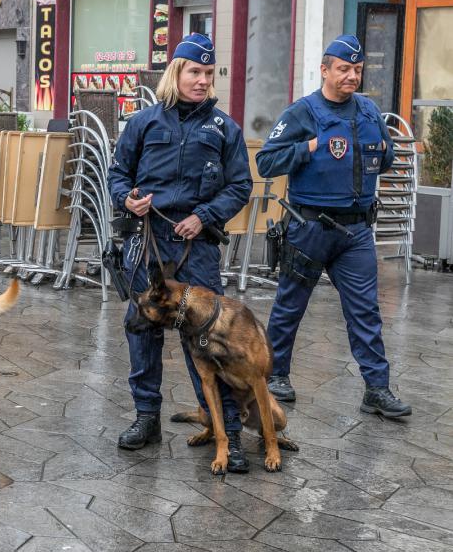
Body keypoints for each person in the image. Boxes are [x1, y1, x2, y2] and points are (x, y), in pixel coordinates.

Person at [108, 34, 253, 471]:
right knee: (141, 329)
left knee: (210, 338)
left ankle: (227, 426)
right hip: (148, 240)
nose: (202, 81)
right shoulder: (143, 123)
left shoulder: (226, 129)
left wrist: (206, 215)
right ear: (176, 73)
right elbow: (118, 174)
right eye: (195, 72)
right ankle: (146, 418)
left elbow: (240, 186)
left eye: (209, 74)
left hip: (198, 247)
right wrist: (127, 199)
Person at [256, 35, 411, 417]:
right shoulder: (302, 112)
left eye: (357, 70)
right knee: (289, 307)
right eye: (344, 69)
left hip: (356, 232)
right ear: (324, 70)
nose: (351, 76)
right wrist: (305, 150)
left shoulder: (369, 111)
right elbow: (266, 163)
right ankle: (275, 377)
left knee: (365, 312)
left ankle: (377, 388)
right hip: (310, 229)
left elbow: (384, 157)